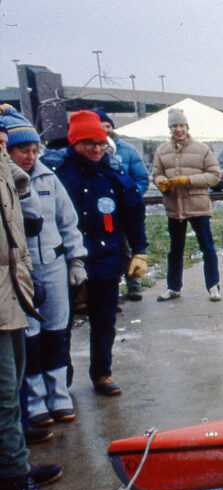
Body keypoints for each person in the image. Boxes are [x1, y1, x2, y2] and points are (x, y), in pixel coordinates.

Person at [1, 108, 87, 430]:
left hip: (52, 263)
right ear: (7, 151)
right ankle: (35, 400)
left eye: (35, 150)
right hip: (21, 270)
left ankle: (59, 394)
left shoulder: (49, 177)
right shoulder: (5, 181)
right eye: (24, 150)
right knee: (31, 338)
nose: (31, 156)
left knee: (56, 331)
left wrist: (76, 260)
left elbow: (68, 222)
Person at [53, 110, 148, 397]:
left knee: (104, 318)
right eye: (88, 144)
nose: (96, 149)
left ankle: (102, 373)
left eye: (100, 143)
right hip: (67, 261)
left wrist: (140, 250)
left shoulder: (114, 174)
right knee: (62, 321)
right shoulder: (57, 173)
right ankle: (62, 379)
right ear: (74, 143)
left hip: (105, 258)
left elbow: (134, 213)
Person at [0, 111, 63, 490]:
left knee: (15, 380)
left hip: (10, 290)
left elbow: (19, 193)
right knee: (4, 394)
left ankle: (15, 464)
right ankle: (13, 481)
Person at [151, 107, 223, 302]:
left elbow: (215, 175)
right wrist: (160, 182)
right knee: (175, 250)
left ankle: (213, 286)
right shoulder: (162, 150)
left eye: (181, 125)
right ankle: (173, 287)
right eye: (174, 126)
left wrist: (188, 180)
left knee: (207, 248)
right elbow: (156, 173)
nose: (178, 130)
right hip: (175, 208)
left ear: (187, 127)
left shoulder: (202, 149)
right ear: (170, 128)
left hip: (198, 207)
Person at [96, 109, 149, 302]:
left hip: (124, 210)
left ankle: (134, 285)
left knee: (130, 246)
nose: (105, 130)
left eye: (108, 126)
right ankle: (111, 288)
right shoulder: (93, 153)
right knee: (110, 248)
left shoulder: (127, 150)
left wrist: (131, 197)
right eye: (101, 127)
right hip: (105, 213)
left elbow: (142, 178)